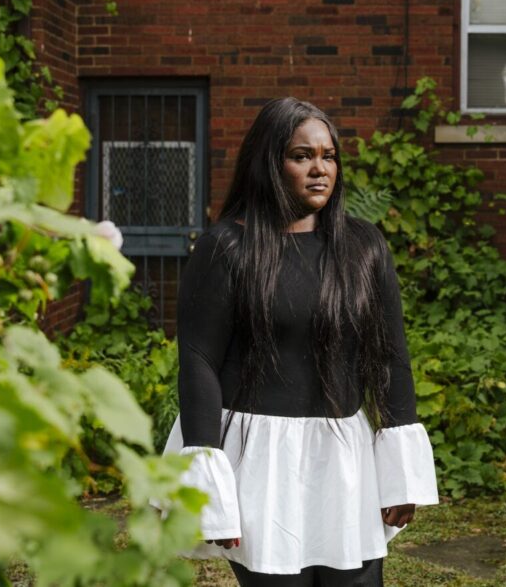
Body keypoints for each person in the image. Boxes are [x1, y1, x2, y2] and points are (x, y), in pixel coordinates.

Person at [162, 97, 438, 585]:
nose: (319, 169)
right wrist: (210, 486)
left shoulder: (364, 247)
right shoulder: (227, 248)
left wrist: (401, 474)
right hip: (261, 462)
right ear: (270, 162)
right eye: (301, 156)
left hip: (344, 458)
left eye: (328, 156)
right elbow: (199, 362)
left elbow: (391, 357)